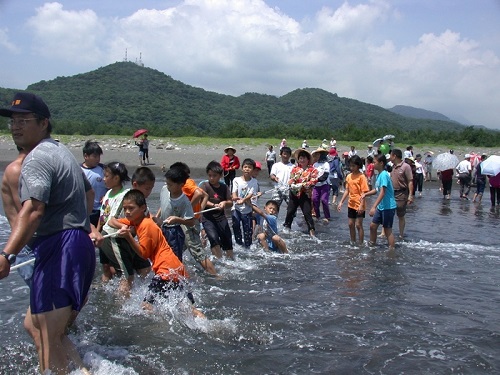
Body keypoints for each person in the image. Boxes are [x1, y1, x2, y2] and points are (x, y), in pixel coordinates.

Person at [0, 92, 95, 373]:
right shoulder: (60, 151)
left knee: (46, 335)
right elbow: (88, 194)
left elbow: (33, 210)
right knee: (35, 326)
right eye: (13, 121)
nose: (16, 126)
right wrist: (83, 225)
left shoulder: (36, 159)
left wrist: (7, 254)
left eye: (24, 120)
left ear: (43, 123)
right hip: (74, 243)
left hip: (60, 247)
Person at [107, 190, 204, 317]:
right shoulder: (136, 220)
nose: (127, 212)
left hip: (165, 270)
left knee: (146, 306)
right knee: (188, 309)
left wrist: (128, 237)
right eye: (125, 208)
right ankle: (209, 327)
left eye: (131, 208)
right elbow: (110, 221)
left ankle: (160, 330)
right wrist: (122, 226)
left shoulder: (146, 225)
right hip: (176, 269)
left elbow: (143, 254)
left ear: (143, 208)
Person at [98, 162, 151, 294]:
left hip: (118, 236)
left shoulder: (125, 194)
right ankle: (119, 303)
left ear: (116, 178)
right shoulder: (108, 193)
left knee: (142, 269)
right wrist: (97, 233)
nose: (103, 179)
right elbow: (103, 217)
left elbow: (144, 211)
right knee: (112, 270)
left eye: (106, 176)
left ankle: (139, 295)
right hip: (109, 236)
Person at [169, 162, 217, 276]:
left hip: (188, 223)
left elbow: (199, 193)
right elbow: (205, 195)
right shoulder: (188, 182)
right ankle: (180, 274)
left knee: (197, 252)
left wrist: (188, 209)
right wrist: (199, 211)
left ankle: (216, 276)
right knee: (176, 250)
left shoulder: (185, 183)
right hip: (189, 221)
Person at [1, 147, 34, 287]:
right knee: (48, 298)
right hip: (26, 246)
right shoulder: (17, 169)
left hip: (32, 243)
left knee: (46, 300)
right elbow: (27, 212)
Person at [157, 167, 195, 262]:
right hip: (162, 228)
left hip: (175, 232)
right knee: (160, 254)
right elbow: (163, 205)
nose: (167, 186)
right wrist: (156, 218)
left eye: (170, 184)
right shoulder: (164, 190)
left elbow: (191, 221)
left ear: (180, 185)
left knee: (175, 257)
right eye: (167, 183)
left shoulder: (184, 201)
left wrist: (177, 219)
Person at [362, 154, 397, 250]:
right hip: (381, 207)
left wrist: (373, 206)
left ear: (381, 163)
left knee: (387, 229)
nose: (373, 164)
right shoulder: (379, 175)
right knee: (373, 226)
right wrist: (366, 194)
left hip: (388, 207)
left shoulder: (384, 175)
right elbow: (376, 190)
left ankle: (391, 249)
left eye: (374, 162)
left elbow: (383, 192)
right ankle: (372, 245)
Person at [200, 161, 234, 259]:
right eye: (209, 175)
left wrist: (224, 203)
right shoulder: (204, 186)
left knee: (227, 238)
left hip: (221, 217)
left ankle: (230, 260)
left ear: (220, 176)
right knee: (213, 238)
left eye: (214, 176)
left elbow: (230, 202)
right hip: (207, 218)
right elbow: (203, 200)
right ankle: (219, 261)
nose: (211, 178)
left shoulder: (224, 187)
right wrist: (214, 205)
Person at [283, 149, 319, 238]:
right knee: (290, 211)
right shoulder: (295, 169)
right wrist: (292, 184)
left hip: (305, 194)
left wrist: (302, 185)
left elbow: (314, 181)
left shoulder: (313, 170)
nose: (301, 160)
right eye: (300, 158)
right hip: (294, 194)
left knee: (307, 213)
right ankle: (286, 229)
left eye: (303, 158)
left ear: (308, 160)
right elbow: (291, 179)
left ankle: (312, 231)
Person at [337, 155, 369, 246]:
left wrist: (362, 205)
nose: (351, 168)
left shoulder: (362, 177)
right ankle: (353, 241)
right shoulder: (349, 176)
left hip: (359, 204)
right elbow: (347, 190)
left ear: (358, 165)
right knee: (351, 224)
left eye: (353, 166)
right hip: (351, 204)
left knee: (358, 225)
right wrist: (341, 202)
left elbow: (364, 192)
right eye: (350, 166)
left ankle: (361, 243)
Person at [231, 158, 259, 248]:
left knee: (247, 230)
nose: (247, 169)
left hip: (247, 210)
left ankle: (248, 246)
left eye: (249, 167)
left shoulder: (254, 181)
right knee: (236, 226)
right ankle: (238, 244)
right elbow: (234, 191)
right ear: (242, 168)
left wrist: (243, 200)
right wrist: (235, 198)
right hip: (236, 208)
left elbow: (250, 194)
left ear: (253, 170)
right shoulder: (236, 180)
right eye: (245, 167)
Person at [389, 148, 414, 239]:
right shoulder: (393, 166)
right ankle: (388, 232)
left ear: (394, 156)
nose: (390, 157)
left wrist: (410, 195)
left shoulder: (406, 166)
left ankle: (401, 234)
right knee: (389, 213)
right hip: (391, 193)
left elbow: (410, 181)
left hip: (401, 193)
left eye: (391, 155)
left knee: (400, 215)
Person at [81, 140, 107, 226]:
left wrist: (106, 195)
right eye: (95, 156)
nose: (98, 159)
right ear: (86, 156)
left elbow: (112, 185)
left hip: (101, 208)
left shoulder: (104, 169)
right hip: (85, 209)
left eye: (99, 156)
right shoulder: (78, 170)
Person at [311, 147, 330, 223]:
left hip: (324, 185)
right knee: (315, 200)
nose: (317, 156)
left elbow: (325, 176)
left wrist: (317, 180)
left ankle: (327, 216)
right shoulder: (315, 164)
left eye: (319, 154)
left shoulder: (326, 164)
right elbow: (312, 174)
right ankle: (318, 215)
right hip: (316, 186)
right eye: (316, 155)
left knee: (324, 200)